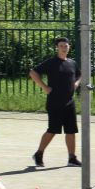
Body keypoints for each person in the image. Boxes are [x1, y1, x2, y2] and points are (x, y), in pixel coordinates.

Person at [28, 36, 81, 168]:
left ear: (69, 47)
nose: (64, 48)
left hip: (69, 102)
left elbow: (80, 74)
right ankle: (39, 154)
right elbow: (33, 73)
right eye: (61, 46)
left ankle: (72, 158)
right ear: (57, 48)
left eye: (66, 46)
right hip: (54, 102)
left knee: (71, 131)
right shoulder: (51, 62)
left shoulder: (72, 63)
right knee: (53, 130)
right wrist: (44, 87)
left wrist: (76, 83)